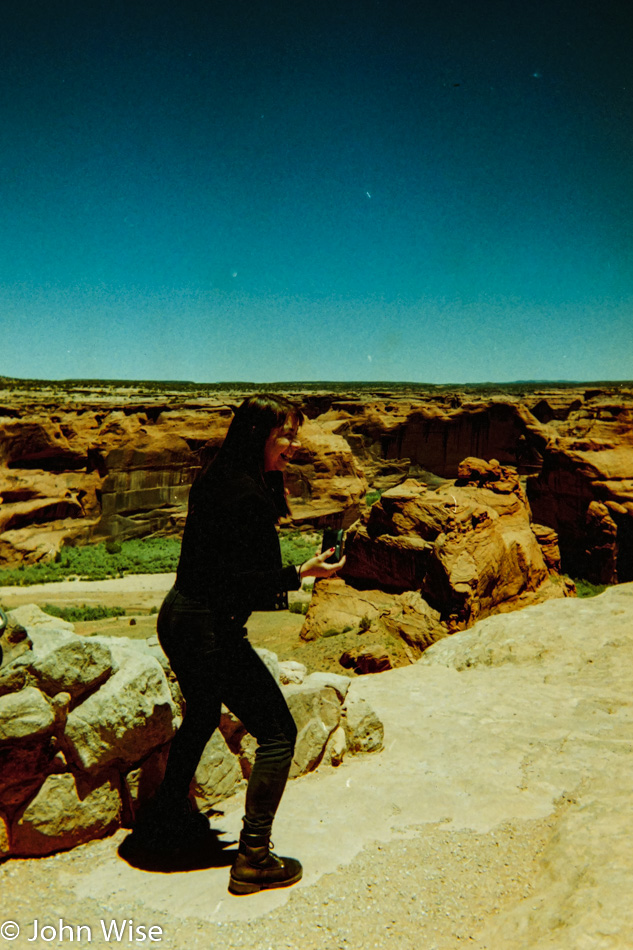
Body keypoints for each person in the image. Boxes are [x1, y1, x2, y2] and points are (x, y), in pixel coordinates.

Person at [135, 394, 344, 895]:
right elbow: (243, 583)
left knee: (205, 711)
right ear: (258, 437)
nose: (293, 446)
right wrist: (301, 572)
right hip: (210, 627)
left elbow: (221, 566)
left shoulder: (215, 474)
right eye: (284, 436)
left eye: (294, 435)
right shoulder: (247, 493)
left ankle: (166, 822)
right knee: (278, 733)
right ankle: (253, 858)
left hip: (180, 617)